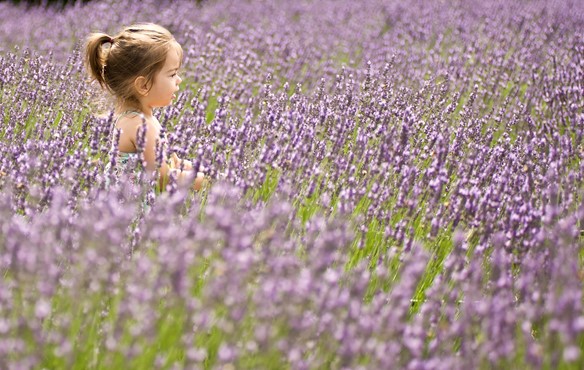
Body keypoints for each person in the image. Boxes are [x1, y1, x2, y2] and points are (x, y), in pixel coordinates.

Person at [84, 23, 205, 191]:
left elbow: (153, 165)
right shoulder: (140, 125)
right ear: (143, 85)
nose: (179, 80)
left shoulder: (136, 118)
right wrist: (203, 181)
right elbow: (162, 180)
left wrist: (178, 167)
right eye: (172, 74)